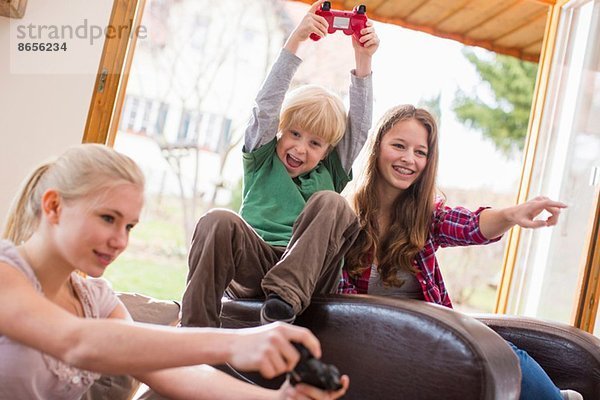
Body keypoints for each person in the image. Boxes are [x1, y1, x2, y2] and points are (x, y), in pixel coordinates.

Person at [0, 143, 349, 400]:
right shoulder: (5, 273)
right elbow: (77, 343)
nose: (119, 240)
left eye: (130, 227)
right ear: (54, 206)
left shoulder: (95, 299)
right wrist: (234, 342)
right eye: (108, 218)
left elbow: (169, 371)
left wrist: (277, 399)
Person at [338, 104, 582, 400]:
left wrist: (511, 215)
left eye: (420, 152)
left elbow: (468, 225)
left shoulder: (427, 217)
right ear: (377, 148)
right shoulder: (343, 218)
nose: (408, 159)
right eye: (399, 146)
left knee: (502, 355)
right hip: (377, 345)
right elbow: (346, 309)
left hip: (433, 339)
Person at [181, 0, 379, 328]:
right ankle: (194, 333)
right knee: (216, 219)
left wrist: (364, 58)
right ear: (281, 129)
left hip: (309, 275)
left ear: (329, 150)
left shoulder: (331, 170)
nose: (300, 148)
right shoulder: (262, 158)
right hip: (255, 264)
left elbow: (359, 125)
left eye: (315, 143)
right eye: (295, 134)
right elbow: (266, 104)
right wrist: (296, 40)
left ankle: (284, 298)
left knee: (333, 203)